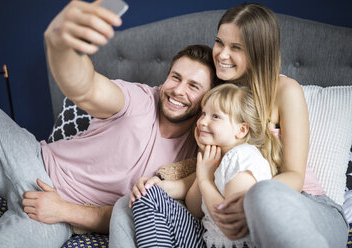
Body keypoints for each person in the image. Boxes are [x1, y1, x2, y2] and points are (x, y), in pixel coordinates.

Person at [0, 1, 218, 248]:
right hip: (33, 161)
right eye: (175, 77)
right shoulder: (139, 99)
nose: (178, 91)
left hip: (56, 217)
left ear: (209, 99)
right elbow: (85, 88)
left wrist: (63, 211)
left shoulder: (197, 154)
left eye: (193, 86)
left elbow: (127, 212)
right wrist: (63, 48)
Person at [110, 3, 349, 248]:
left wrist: (246, 200)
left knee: (262, 194)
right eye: (219, 42)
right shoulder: (214, 99)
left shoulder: (285, 90)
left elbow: (295, 176)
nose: (222, 55)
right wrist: (162, 187)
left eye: (236, 47)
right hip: (227, 212)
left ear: (259, 52)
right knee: (128, 203)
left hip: (301, 205)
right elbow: (212, 170)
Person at [132, 83, 280, 248]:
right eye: (203, 114)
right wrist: (201, 172)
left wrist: (204, 180)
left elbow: (231, 226)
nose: (202, 122)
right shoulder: (218, 159)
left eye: (215, 116)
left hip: (232, 244)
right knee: (146, 194)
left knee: (147, 197)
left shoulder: (241, 157)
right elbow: (195, 209)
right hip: (209, 241)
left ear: (241, 130)